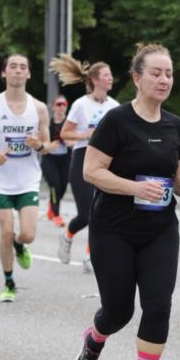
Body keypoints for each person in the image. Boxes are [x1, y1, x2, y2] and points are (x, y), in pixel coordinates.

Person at [74, 43, 180, 360]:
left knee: (158, 304)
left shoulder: (175, 124)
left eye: (169, 74)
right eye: (156, 73)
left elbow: (177, 172)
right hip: (113, 229)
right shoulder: (116, 121)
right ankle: (94, 340)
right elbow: (91, 171)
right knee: (118, 312)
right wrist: (134, 187)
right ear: (136, 78)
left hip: (159, 228)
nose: (164, 80)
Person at [0, 53, 50, 301]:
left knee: (27, 234)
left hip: (27, 179)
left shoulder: (39, 108)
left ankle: (19, 245)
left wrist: (38, 145)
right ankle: (9, 283)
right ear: (4, 73)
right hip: (0, 181)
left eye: (22, 67)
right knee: (5, 231)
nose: (18, 70)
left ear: (28, 74)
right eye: (12, 66)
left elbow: (48, 146)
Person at [49, 55, 119, 273]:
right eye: (107, 75)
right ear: (96, 80)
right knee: (86, 213)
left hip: (106, 162)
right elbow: (65, 134)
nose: (111, 79)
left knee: (101, 212)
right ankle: (68, 233)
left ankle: (90, 255)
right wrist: (86, 134)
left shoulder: (114, 106)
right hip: (82, 159)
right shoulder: (81, 104)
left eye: (110, 75)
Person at [41, 94, 72, 229]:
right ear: (53, 107)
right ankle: (56, 215)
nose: (61, 107)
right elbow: (41, 142)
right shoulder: (48, 123)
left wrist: (68, 142)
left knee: (63, 187)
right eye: (58, 104)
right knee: (54, 186)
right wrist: (48, 145)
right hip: (50, 160)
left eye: (64, 104)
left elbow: (75, 140)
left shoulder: (70, 123)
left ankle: (51, 207)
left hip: (65, 160)